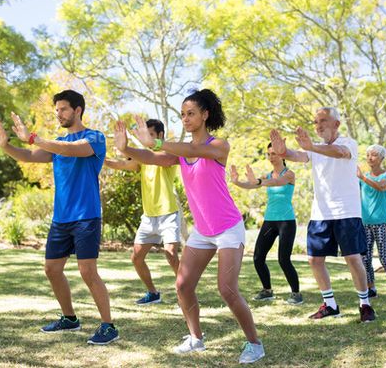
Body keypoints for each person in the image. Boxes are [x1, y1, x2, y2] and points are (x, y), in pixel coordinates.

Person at [114, 89, 265, 364]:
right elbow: (151, 158)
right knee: (183, 285)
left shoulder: (218, 146)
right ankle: (196, 339)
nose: (185, 118)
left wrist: (156, 143)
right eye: (182, 114)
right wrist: (126, 148)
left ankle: (255, 344)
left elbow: (194, 149)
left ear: (205, 115)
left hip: (228, 228)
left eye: (191, 113)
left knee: (227, 289)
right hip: (203, 231)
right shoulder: (179, 153)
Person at [0, 90, 119, 345]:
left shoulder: (94, 138)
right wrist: (5, 145)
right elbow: (28, 156)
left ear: (77, 110)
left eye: (62, 109)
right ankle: (70, 318)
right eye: (56, 110)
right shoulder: (56, 144)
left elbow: (72, 149)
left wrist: (35, 137)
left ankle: (108, 326)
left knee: (87, 271)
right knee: (51, 269)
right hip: (61, 218)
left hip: (86, 216)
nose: (58, 114)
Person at [270, 107, 376, 323]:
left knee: (353, 258)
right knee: (314, 260)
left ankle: (365, 304)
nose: (318, 125)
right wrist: (283, 152)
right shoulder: (314, 149)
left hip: (347, 212)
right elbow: (297, 155)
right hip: (321, 213)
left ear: (336, 124)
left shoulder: (349, 143)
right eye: (316, 121)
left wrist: (311, 147)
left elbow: (340, 153)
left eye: (323, 121)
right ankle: (330, 305)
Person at [104, 119, 180, 305]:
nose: (147, 138)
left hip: (168, 214)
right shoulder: (142, 160)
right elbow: (122, 165)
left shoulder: (169, 154)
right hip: (148, 218)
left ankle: (185, 290)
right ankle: (153, 293)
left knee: (170, 253)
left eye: (151, 135)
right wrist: (100, 159)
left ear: (160, 136)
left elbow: (152, 156)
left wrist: (127, 148)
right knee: (136, 258)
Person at [230, 143, 302, 305]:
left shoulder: (289, 174)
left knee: (283, 259)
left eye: (274, 154)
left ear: (282, 155)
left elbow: (277, 182)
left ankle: (296, 293)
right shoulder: (267, 175)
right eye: (269, 154)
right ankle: (267, 290)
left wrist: (258, 181)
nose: (271, 157)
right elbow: (252, 184)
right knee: (258, 257)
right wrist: (237, 182)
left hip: (286, 221)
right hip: (270, 221)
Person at [358, 144, 386, 300]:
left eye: (374, 155)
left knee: (384, 257)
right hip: (365, 223)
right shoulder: (362, 177)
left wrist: (363, 178)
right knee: (365, 259)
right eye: (368, 155)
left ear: (382, 158)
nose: (370, 158)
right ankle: (371, 289)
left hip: (382, 223)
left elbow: (381, 187)